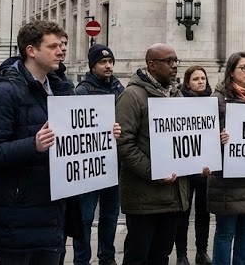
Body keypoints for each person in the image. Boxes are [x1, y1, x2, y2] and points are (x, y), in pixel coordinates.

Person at [0, 20, 77, 264]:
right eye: (53, 46)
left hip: (52, 212)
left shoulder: (60, 89)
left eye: (62, 45)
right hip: (18, 215)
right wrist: (32, 145)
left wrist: (102, 134)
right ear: (31, 51)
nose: (61, 51)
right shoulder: (4, 93)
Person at [116, 43, 192, 265]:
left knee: (161, 255)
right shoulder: (132, 96)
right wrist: (153, 172)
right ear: (151, 65)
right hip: (144, 198)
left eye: (176, 60)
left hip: (172, 197)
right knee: (138, 256)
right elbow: (124, 144)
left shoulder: (177, 95)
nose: (174, 65)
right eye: (168, 61)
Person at [209, 52, 245, 265]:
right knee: (225, 233)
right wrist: (218, 137)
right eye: (243, 68)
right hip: (227, 179)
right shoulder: (217, 99)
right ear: (231, 71)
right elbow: (205, 137)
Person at [73, 44, 125, 265]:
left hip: (113, 165)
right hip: (89, 168)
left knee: (110, 216)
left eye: (110, 62)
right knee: (84, 218)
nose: (108, 66)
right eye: (103, 62)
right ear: (93, 65)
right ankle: (81, 259)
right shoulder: (82, 91)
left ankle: (107, 256)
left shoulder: (119, 89)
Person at [175, 65, 213, 265]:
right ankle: (181, 254)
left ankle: (201, 251)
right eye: (196, 79)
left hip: (204, 170)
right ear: (187, 82)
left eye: (203, 78)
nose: (201, 82)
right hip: (184, 169)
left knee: (203, 212)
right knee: (182, 213)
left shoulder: (212, 103)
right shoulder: (178, 103)